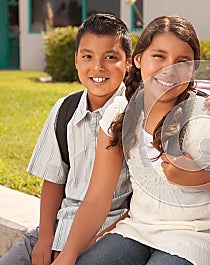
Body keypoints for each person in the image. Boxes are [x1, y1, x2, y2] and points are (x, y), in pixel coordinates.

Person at [51, 15, 210, 265]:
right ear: (138, 59)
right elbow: (96, 199)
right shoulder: (120, 113)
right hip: (137, 230)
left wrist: (199, 178)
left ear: (193, 68)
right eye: (159, 56)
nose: (169, 69)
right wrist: (68, 255)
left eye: (183, 61)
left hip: (197, 237)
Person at [0, 13, 133, 265]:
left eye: (111, 57)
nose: (98, 67)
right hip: (60, 226)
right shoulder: (65, 110)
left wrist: (80, 246)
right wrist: (46, 236)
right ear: (76, 60)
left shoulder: (135, 115)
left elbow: (138, 205)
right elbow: (53, 179)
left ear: (128, 62)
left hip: (111, 233)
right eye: (87, 56)